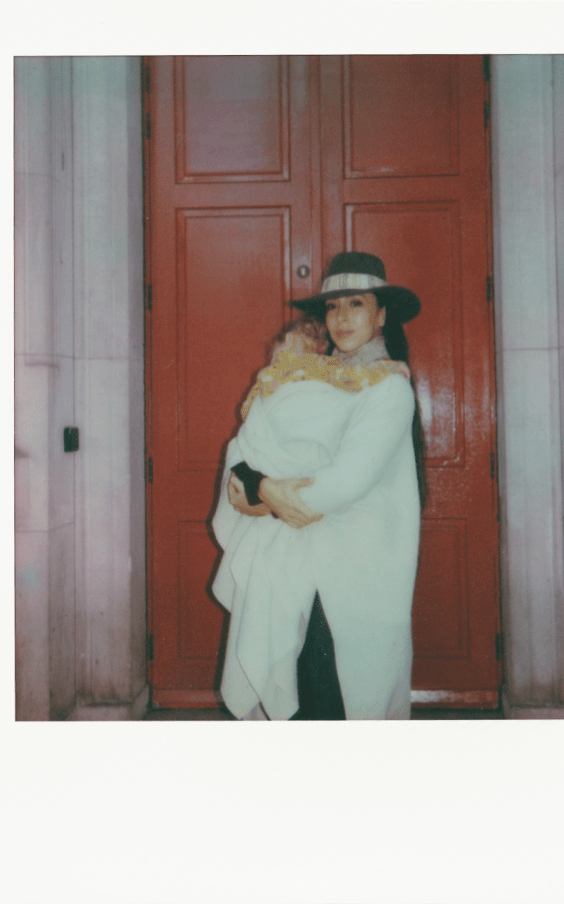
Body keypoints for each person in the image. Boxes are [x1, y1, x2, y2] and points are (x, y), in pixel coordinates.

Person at [211, 251, 425, 720]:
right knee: (303, 700)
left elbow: (344, 483)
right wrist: (262, 484)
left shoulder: (389, 388)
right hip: (295, 567)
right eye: (332, 306)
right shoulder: (309, 377)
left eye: (356, 304)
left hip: (356, 570)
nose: (342, 318)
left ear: (381, 315)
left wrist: (263, 494)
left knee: (342, 698)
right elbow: (247, 457)